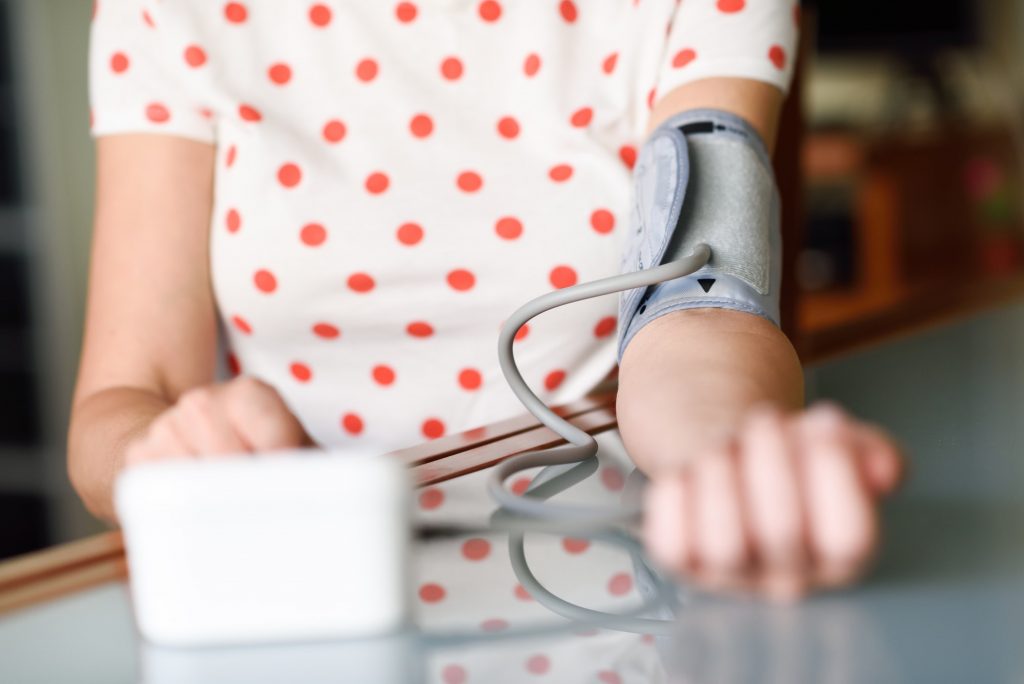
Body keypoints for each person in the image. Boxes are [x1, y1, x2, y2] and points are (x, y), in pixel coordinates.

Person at [70, 0, 903, 599]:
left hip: (614, 593)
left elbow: (699, 305)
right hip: (312, 601)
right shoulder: (165, 14)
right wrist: (168, 456)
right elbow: (123, 399)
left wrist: (727, 458)